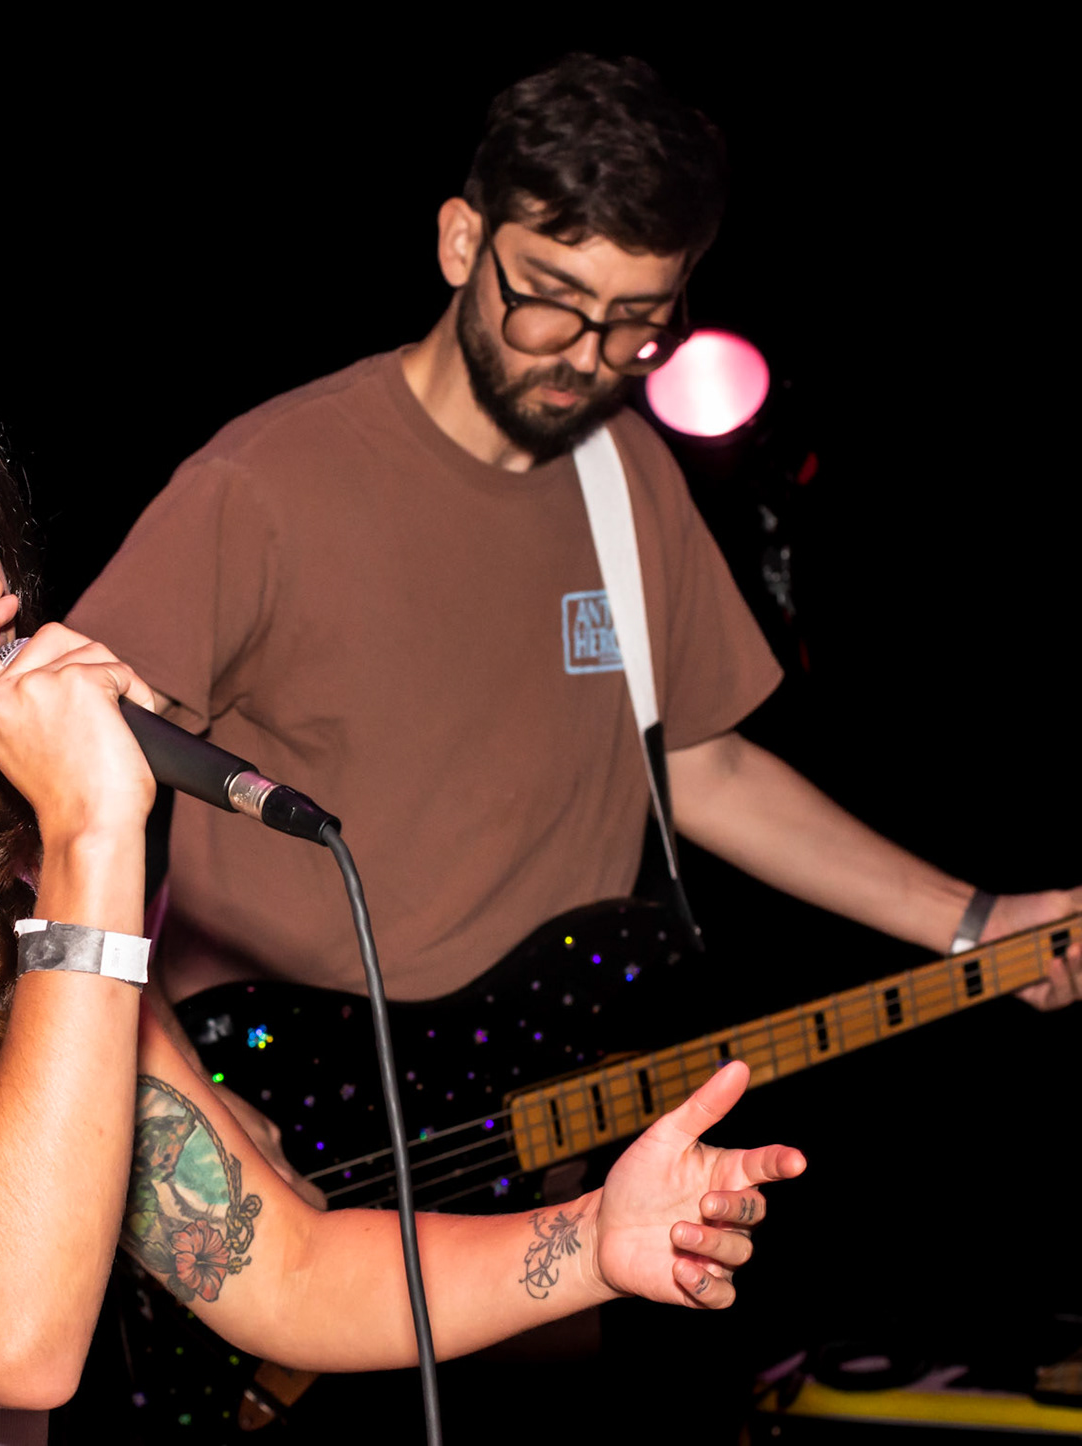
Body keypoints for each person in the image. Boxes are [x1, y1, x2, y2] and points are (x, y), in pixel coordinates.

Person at [0, 315, 804, 1444]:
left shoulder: (3, 912)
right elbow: (2, 1334)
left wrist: (592, 1242)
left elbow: (275, 1265)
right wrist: (93, 842)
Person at [65, 50, 1078, 1073]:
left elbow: (705, 768)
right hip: (268, 1099)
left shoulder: (629, 475)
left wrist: (977, 920)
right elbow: (49, 793)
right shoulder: (262, 485)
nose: (588, 356)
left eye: (637, 320)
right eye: (553, 296)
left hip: (538, 1106)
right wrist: (166, 1089)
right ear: (462, 241)